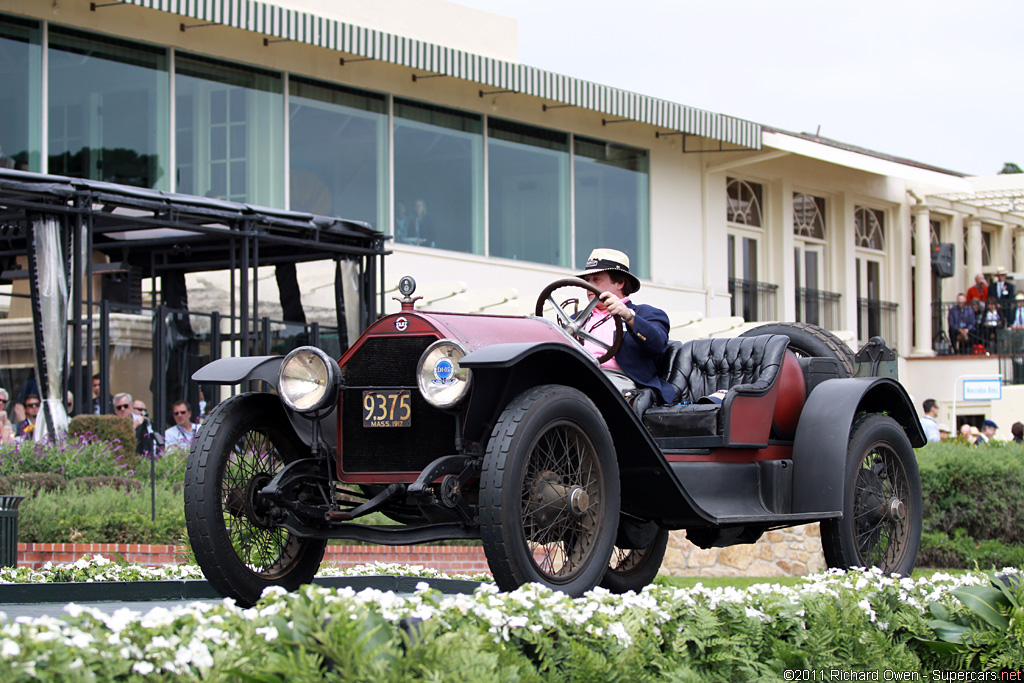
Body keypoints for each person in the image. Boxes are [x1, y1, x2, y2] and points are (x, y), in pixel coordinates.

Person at [576, 248, 676, 404]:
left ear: (620, 283)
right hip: (576, 378)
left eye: (596, 279)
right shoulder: (575, 319)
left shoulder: (647, 314)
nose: (589, 285)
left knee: (587, 393)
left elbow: (657, 346)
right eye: (587, 280)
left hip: (619, 380)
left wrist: (628, 316)